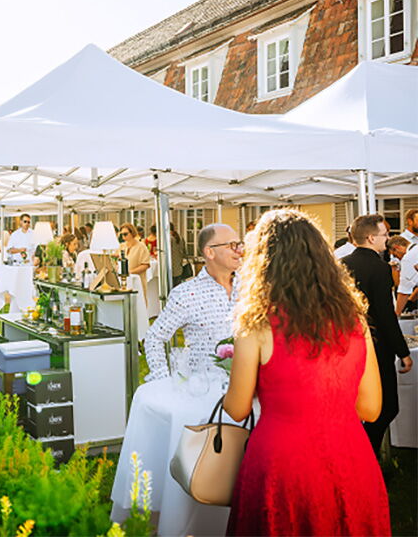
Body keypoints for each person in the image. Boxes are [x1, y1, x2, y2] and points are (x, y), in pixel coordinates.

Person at [224, 209, 390, 537]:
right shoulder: (355, 321)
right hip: (349, 459)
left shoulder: (257, 324)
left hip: (281, 465)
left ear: (263, 263)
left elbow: (237, 408)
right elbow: (370, 409)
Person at [342, 213, 413, 455]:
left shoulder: (341, 265)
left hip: (347, 346)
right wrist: (403, 352)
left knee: (359, 406)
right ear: (371, 238)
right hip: (375, 347)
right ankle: (365, 455)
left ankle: (359, 452)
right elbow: (385, 316)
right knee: (387, 407)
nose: (388, 239)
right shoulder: (380, 269)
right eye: (385, 235)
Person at [144, 223, 241, 380]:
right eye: (232, 245)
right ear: (210, 252)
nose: (240, 250)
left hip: (251, 391)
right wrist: (162, 379)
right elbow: (154, 338)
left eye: (240, 244)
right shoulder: (186, 294)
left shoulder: (251, 288)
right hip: (204, 391)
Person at [118, 223, 151, 305]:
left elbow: (145, 265)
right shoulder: (122, 246)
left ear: (132, 233)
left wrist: (130, 272)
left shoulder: (141, 246)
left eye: (125, 234)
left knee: (139, 304)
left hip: (137, 281)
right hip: (124, 282)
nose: (123, 237)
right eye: (121, 234)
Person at [395, 238, 418, 316]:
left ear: (397, 248)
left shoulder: (408, 258)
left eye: (395, 255)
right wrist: (410, 301)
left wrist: (397, 315)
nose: (398, 258)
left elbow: (404, 291)